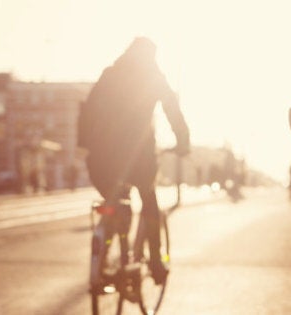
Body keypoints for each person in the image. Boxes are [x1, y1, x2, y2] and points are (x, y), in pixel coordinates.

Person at [77, 37, 190, 284]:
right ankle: (156, 262)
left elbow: (87, 108)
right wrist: (183, 143)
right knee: (149, 201)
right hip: (138, 158)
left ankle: (104, 256)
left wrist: (85, 146)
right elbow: (173, 111)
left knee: (114, 204)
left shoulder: (110, 74)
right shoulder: (154, 77)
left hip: (100, 159)